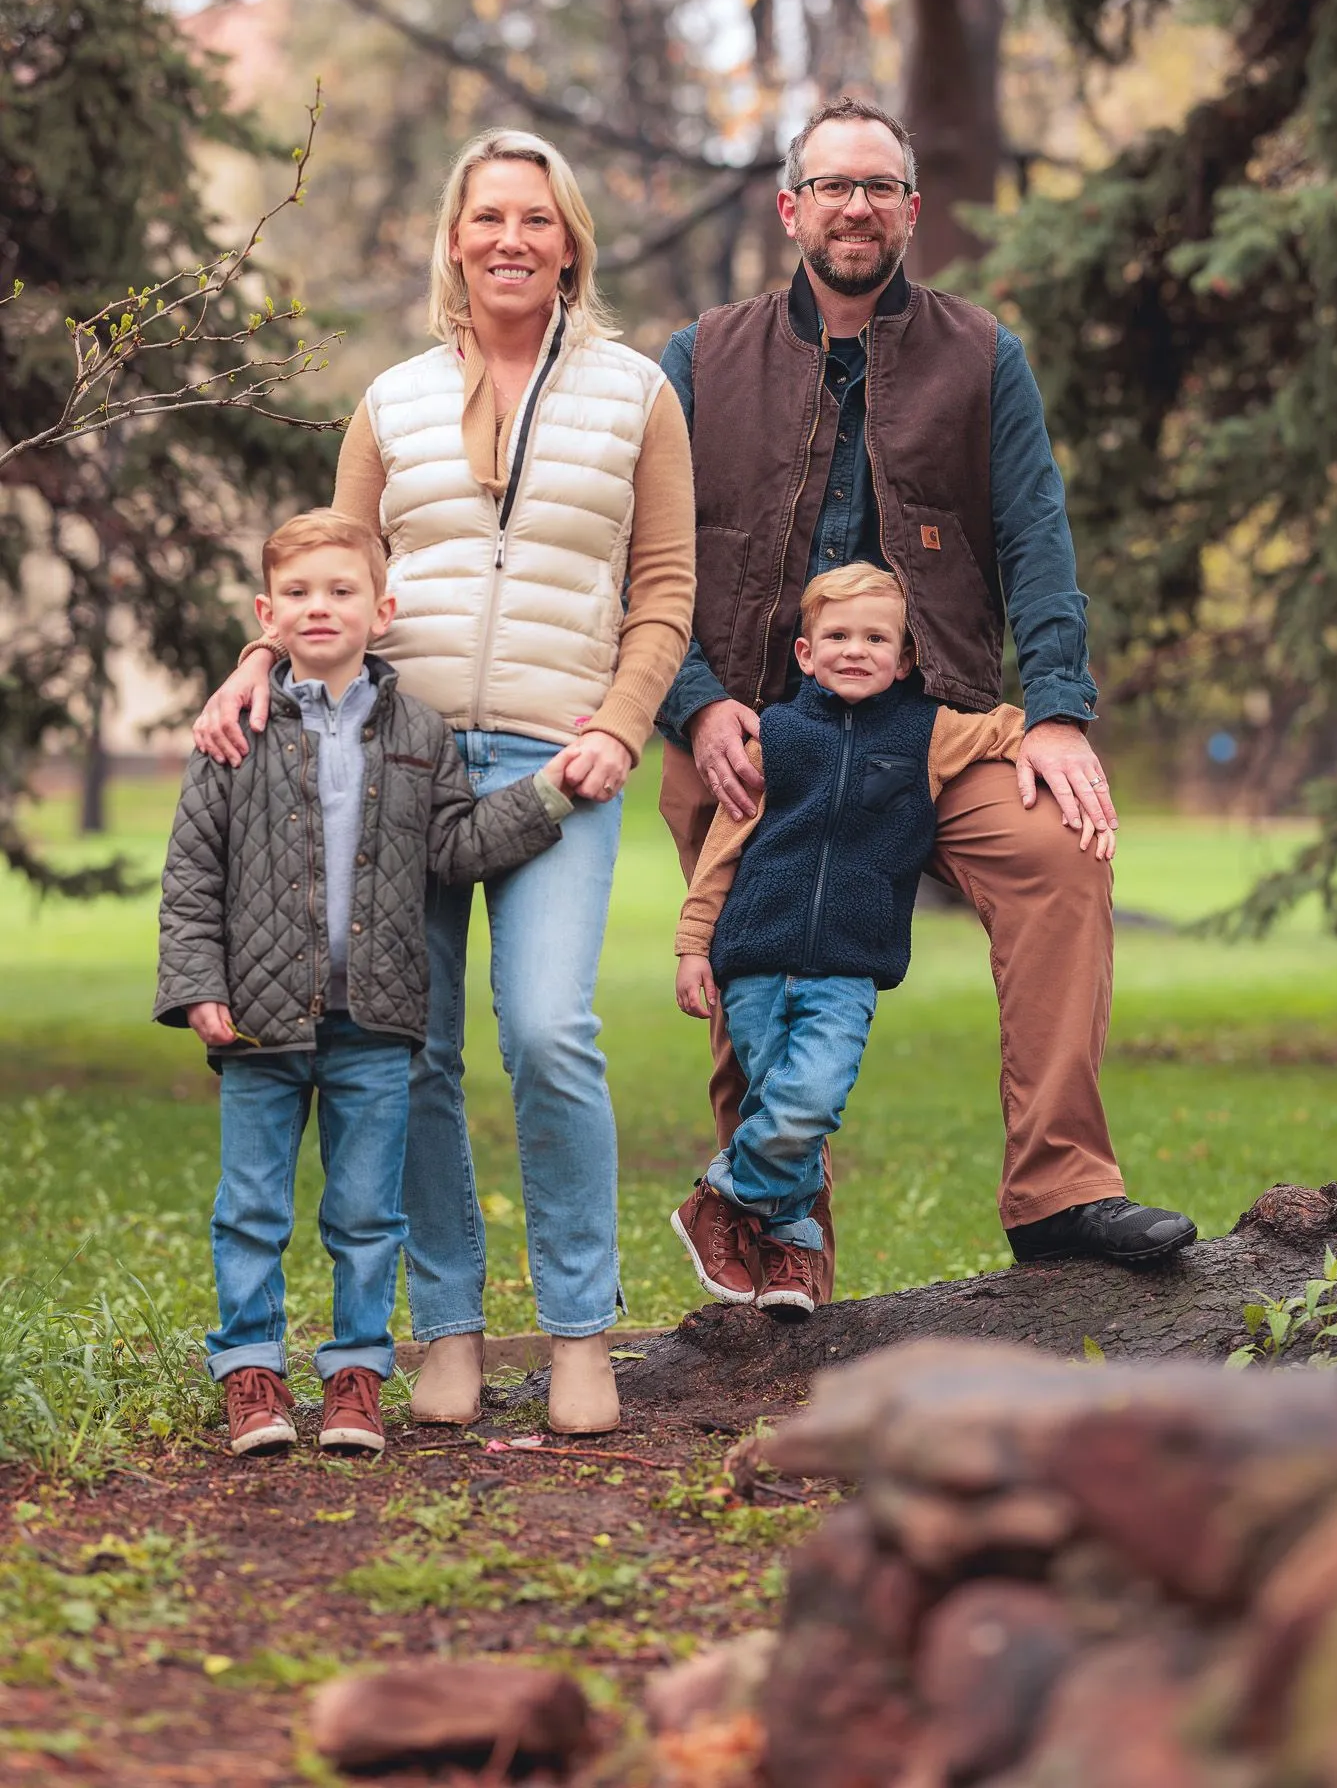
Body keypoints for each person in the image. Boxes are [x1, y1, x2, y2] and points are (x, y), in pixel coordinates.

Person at [190, 131, 695, 1436]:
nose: (511, 239)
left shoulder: (639, 393)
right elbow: (332, 563)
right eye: (488, 219)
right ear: (455, 239)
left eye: (536, 218)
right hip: (393, 755)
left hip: (554, 761)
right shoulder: (393, 400)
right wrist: (257, 657)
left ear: (569, 239)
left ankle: (582, 1331)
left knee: (546, 1031)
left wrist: (625, 730)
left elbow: (667, 591)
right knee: (404, 1052)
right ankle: (448, 1328)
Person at [657, 96, 1196, 1297]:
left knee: (1060, 849)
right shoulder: (701, 356)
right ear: (791, 208)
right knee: (760, 967)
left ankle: (1061, 1190)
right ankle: (780, 1246)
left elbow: (1038, 540)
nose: (856, 206)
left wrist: (1055, 709)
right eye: (832, 186)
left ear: (910, 208)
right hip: (753, 721)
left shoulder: (980, 352)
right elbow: (641, 557)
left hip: (939, 723)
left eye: (879, 187)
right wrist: (694, 705)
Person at [155, 510, 572, 1457]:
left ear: (380, 610)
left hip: (377, 1022)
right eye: (297, 593)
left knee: (365, 1213)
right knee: (251, 1206)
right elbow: (192, 871)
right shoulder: (238, 725)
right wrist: (196, 984)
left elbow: (458, 846)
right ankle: (252, 1373)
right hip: (257, 1024)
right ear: (268, 612)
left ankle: (355, 1375)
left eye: (341, 591)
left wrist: (552, 791)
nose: (319, 608)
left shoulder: (421, 732)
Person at [670, 565, 1080, 1315]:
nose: (853, 650)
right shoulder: (776, 736)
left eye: (874, 638)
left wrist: (1047, 733)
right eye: (836, 636)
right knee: (772, 1099)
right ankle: (792, 1243)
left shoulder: (928, 733)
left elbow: (1006, 727)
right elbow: (723, 848)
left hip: (848, 969)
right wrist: (694, 945)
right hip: (756, 958)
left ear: (904, 657)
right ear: (803, 652)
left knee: (810, 1102)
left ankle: (719, 1197)